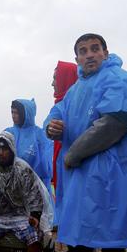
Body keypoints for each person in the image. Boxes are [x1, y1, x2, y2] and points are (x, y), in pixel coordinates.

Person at [44, 33, 127, 252]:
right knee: (78, 240)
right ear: (76, 58)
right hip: (80, 180)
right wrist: (53, 126)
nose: (89, 54)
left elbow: (113, 123)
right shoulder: (77, 89)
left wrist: (73, 153)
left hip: (110, 177)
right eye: (82, 51)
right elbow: (59, 113)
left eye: (94, 49)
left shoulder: (117, 79)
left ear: (105, 52)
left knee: (111, 245)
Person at [0, 99, 53, 195]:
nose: (13, 115)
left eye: (16, 112)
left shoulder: (39, 135)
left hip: (35, 189)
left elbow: (46, 168)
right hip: (13, 188)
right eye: (12, 112)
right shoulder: (9, 133)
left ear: (25, 114)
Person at [50, 61, 78, 190]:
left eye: (56, 78)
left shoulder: (78, 107)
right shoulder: (59, 106)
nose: (52, 84)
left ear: (66, 78)